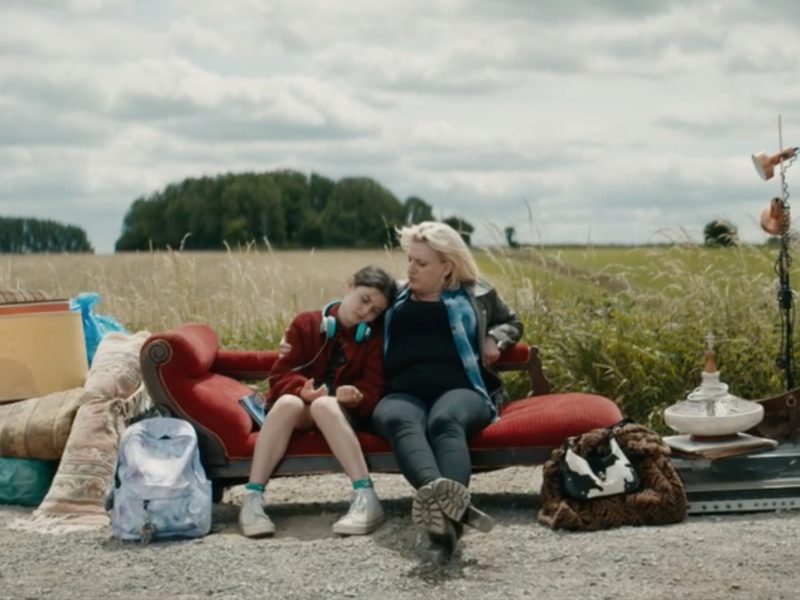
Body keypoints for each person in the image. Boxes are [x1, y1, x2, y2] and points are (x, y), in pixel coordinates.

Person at [371, 221, 522, 558]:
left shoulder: (477, 294)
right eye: (409, 259)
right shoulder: (392, 294)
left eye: (421, 263)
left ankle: (442, 514)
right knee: (397, 419)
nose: (410, 268)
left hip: (462, 390)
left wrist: (494, 337)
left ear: (446, 267)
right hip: (401, 393)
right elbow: (350, 307)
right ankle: (450, 516)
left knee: (444, 420)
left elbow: (512, 322)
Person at [239, 265, 398, 538]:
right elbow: (279, 376)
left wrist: (354, 397)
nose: (366, 312)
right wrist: (302, 390)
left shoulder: (373, 338)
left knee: (325, 405)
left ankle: (365, 495)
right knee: (288, 403)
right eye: (364, 299)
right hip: (299, 409)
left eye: (375, 311)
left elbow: (372, 390)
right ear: (349, 285)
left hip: (341, 413)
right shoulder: (306, 323)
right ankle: (252, 501)